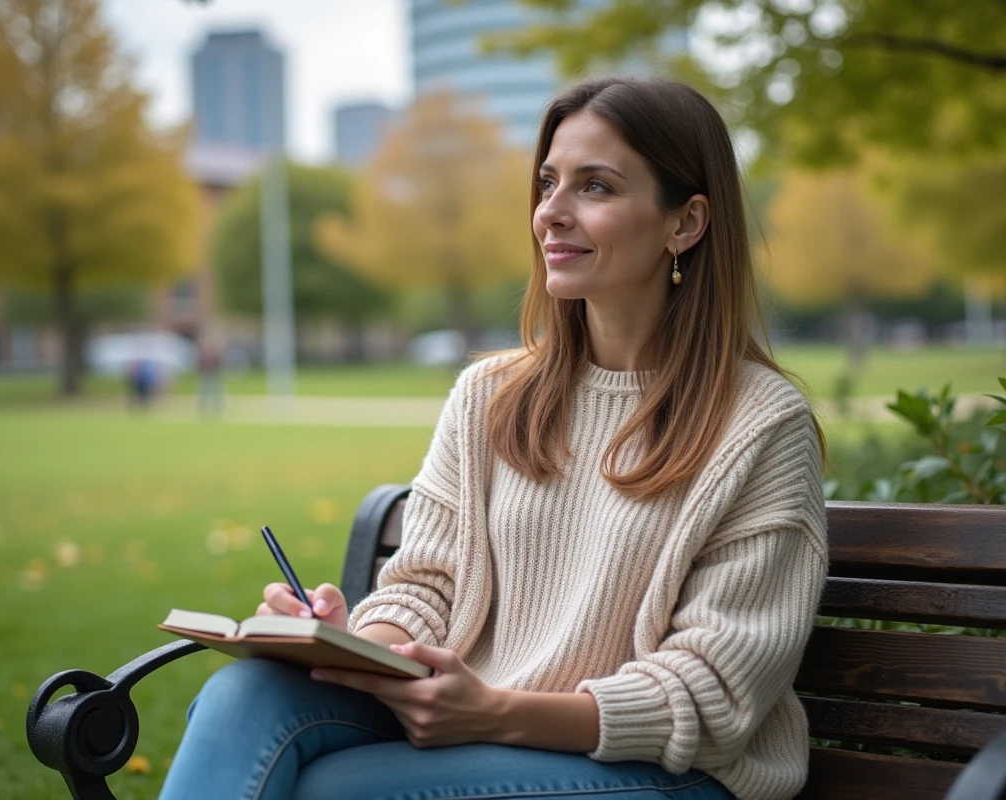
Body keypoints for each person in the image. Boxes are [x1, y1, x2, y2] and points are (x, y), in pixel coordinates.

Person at [159, 76, 827, 800]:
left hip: (666, 775)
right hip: (481, 731)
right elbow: (425, 588)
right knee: (245, 696)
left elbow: (712, 695)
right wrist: (354, 647)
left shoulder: (760, 425)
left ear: (686, 223)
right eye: (548, 183)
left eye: (595, 187)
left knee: (334, 788)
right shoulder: (490, 397)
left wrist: (497, 712)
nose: (551, 214)